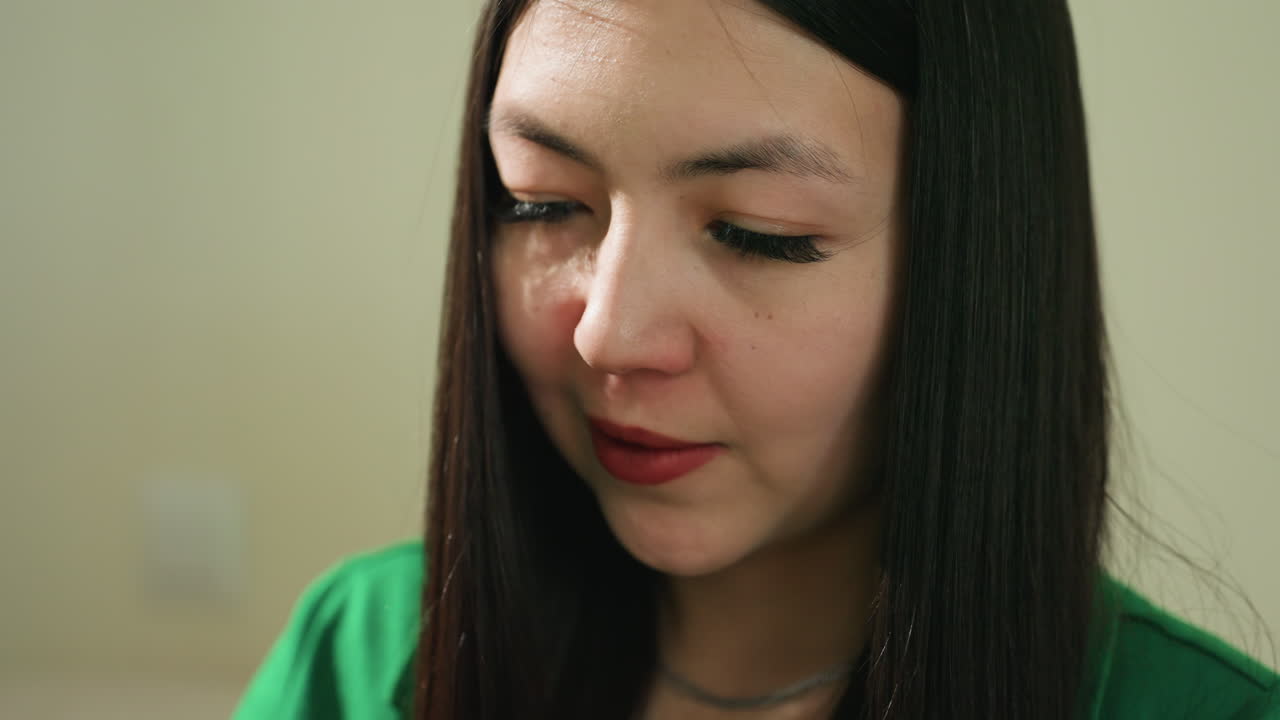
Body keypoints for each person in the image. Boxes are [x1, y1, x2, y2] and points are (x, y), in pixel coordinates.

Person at [234, 0, 1279, 718]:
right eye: (542, 204)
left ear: (979, 259)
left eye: (756, 233)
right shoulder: (366, 656)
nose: (609, 335)